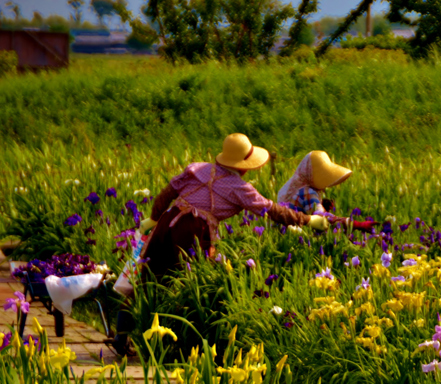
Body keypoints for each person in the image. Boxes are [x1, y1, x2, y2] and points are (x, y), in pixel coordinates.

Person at [107, 133, 324, 355]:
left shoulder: (197, 169)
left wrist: (154, 218)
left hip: (168, 222)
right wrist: (307, 220)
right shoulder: (239, 187)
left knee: (147, 280)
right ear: (244, 166)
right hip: (193, 232)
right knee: (191, 286)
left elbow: (167, 193)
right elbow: (270, 210)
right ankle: (181, 344)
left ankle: (122, 336)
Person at [277, 151, 375, 232]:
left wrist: (322, 204)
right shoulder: (307, 192)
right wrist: (353, 224)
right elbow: (322, 219)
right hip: (298, 235)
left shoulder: (304, 188)